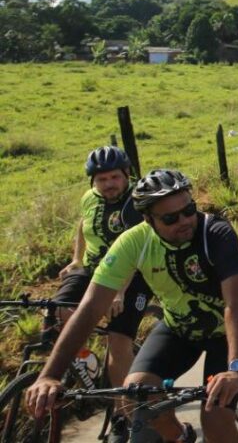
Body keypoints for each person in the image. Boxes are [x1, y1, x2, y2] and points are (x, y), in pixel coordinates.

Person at [26, 169, 238, 443]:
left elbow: (237, 303)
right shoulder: (134, 242)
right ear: (148, 220)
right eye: (170, 218)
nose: (184, 221)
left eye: (189, 210)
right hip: (179, 328)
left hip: (227, 333)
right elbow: (90, 309)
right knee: (135, 395)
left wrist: (236, 369)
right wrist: (50, 375)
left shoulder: (215, 233)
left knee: (216, 418)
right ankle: (182, 437)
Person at [54, 146, 150, 442]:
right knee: (59, 308)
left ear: (126, 176)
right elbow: (83, 225)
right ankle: (85, 362)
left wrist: (120, 292)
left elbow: (138, 248)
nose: (108, 184)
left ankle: (125, 416)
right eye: (101, 179)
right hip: (97, 268)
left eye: (114, 178)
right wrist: (76, 259)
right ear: (92, 183)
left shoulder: (136, 204)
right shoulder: (90, 198)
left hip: (133, 275)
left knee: (118, 341)